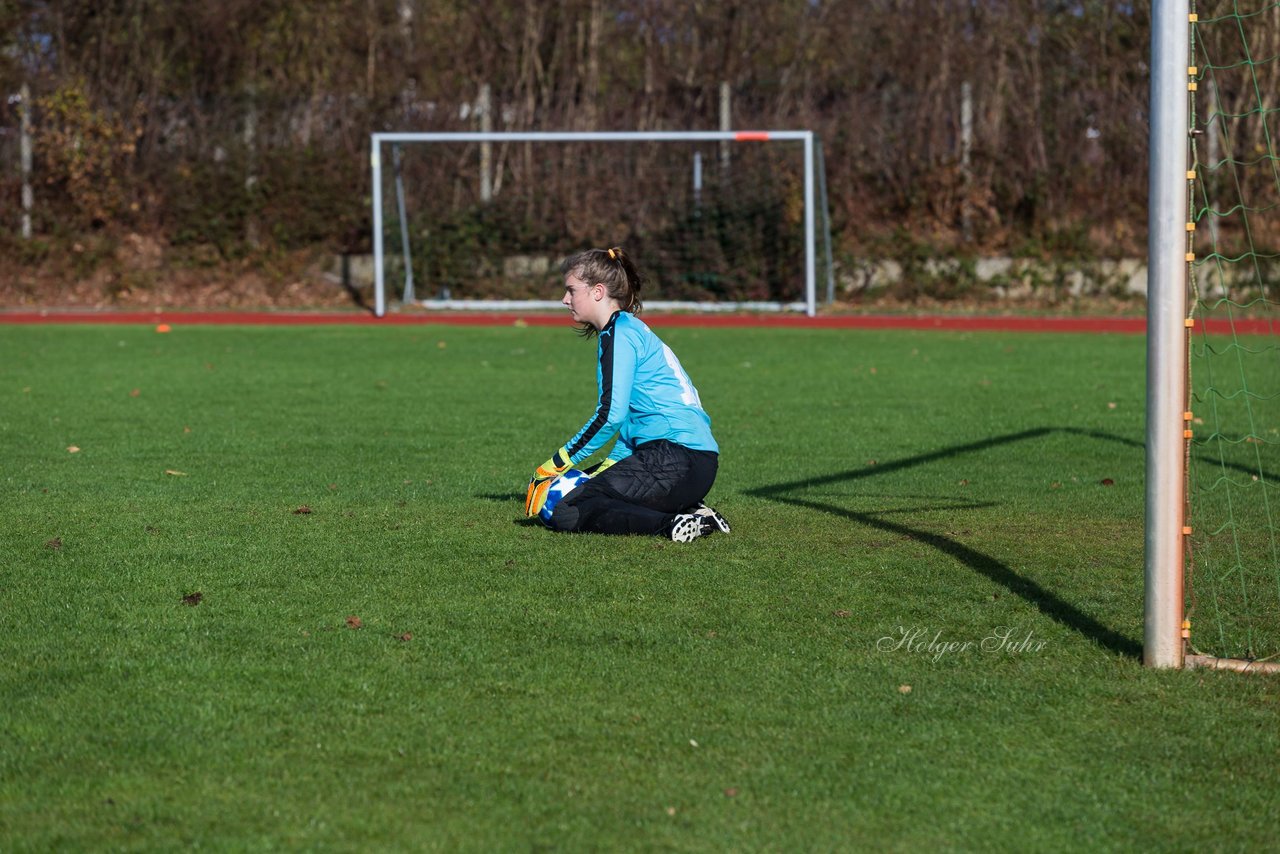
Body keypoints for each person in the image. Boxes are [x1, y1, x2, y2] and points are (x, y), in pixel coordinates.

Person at [524, 247, 731, 542]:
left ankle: (671, 524)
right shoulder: (630, 329)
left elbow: (610, 416)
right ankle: (696, 512)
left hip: (674, 459)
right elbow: (631, 424)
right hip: (695, 463)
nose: (565, 299)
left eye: (571, 290)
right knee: (588, 490)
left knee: (567, 510)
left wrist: (553, 466)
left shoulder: (619, 333)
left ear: (597, 291)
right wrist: (602, 469)